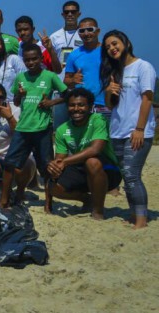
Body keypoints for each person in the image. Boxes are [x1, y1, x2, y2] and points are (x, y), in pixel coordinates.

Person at [0, 45, 67, 209]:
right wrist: (19, 95)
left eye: (34, 59)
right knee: (10, 164)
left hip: (42, 129)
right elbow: (15, 101)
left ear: (41, 59)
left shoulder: (50, 76)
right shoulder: (20, 77)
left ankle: (48, 202)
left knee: (47, 166)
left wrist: (51, 102)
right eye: (27, 60)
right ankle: (4, 200)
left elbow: (66, 95)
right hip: (22, 128)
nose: (31, 62)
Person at [101, 30, 155, 229]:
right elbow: (110, 106)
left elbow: (147, 99)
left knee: (132, 175)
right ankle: (134, 214)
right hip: (117, 130)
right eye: (107, 47)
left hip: (138, 131)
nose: (112, 49)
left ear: (126, 43)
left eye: (115, 44)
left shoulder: (143, 67)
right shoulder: (115, 72)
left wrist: (140, 128)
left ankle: (141, 219)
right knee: (127, 175)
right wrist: (108, 92)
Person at [46, 88, 122, 221]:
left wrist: (65, 162)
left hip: (107, 171)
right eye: (72, 105)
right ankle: (87, 199)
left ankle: (98, 210)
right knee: (54, 187)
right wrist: (55, 166)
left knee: (92, 161)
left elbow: (95, 149)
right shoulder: (62, 129)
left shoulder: (98, 119)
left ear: (90, 107)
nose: (76, 109)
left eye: (81, 105)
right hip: (80, 168)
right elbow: (60, 159)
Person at [50, 1, 83, 128]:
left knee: (81, 126)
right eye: (66, 12)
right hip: (60, 88)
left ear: (78, 14)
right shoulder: (55, 37)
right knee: (60, 127)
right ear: (62, 15)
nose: (70, 14)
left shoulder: (84, 34)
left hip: (80, 87)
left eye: (73, 12)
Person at [64, 18, 106, 116]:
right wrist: (72, 80)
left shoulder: (107, 51)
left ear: (98, 31)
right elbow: (66, 81)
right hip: (83, 106)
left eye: (90, 29)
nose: (86, 33)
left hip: (106, 104)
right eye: (82, 31)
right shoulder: (74, 55)